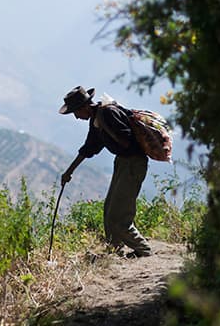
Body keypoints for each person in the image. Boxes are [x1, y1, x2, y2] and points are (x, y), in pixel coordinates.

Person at [58, 85, 152, 258]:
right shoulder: (97, 120)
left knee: (118, 214)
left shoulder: (106, 114)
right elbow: (89, 148)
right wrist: (68, 172)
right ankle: (115, 249)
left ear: (84, 107)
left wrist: (110, 136)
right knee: (109, 208)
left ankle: (143, 249)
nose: (77, 117)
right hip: (123, 162)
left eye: (76, 113)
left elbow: (126, 140)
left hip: (133, 163)